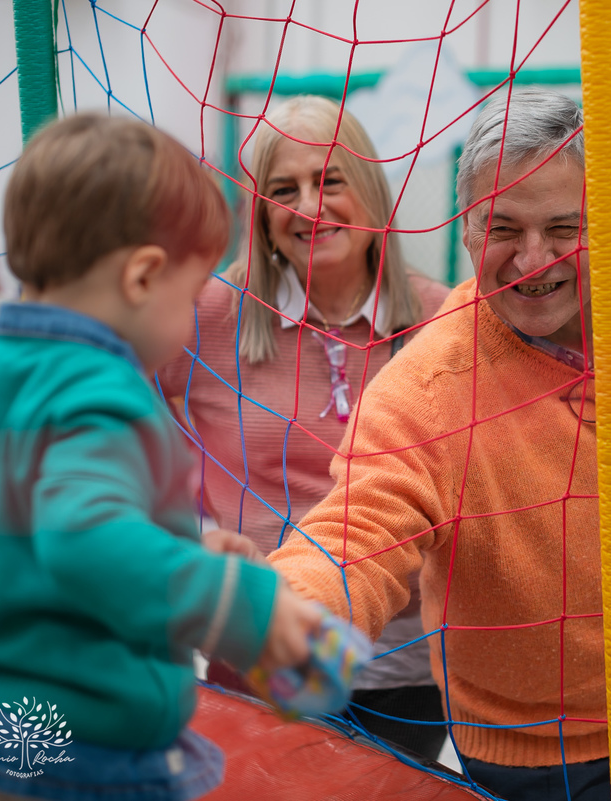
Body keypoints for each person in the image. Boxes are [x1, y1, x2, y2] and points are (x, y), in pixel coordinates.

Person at [269, 87, 611, 800]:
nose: (533, 257)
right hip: (543, 761)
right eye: (503, 228)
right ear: (466, 230)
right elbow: (354, 531)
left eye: (565, 226)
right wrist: (273, 606)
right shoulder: (428, 390)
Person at [0, 115, 331, 801]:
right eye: (190, 293)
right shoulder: (98, 389)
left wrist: (188, 545)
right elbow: (86, 540)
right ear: (144, 276)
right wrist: (244, 604)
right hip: (78, 735)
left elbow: (27, 526)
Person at [156, 95, 450, 759]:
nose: (310, 206)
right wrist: (189, 532)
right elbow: (112, 399)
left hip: (406, 668)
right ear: (261, 218)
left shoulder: (442, 318)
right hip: (262, 652)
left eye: (331, 180)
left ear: (371, 192)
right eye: (284, 189)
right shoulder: (212, 314)